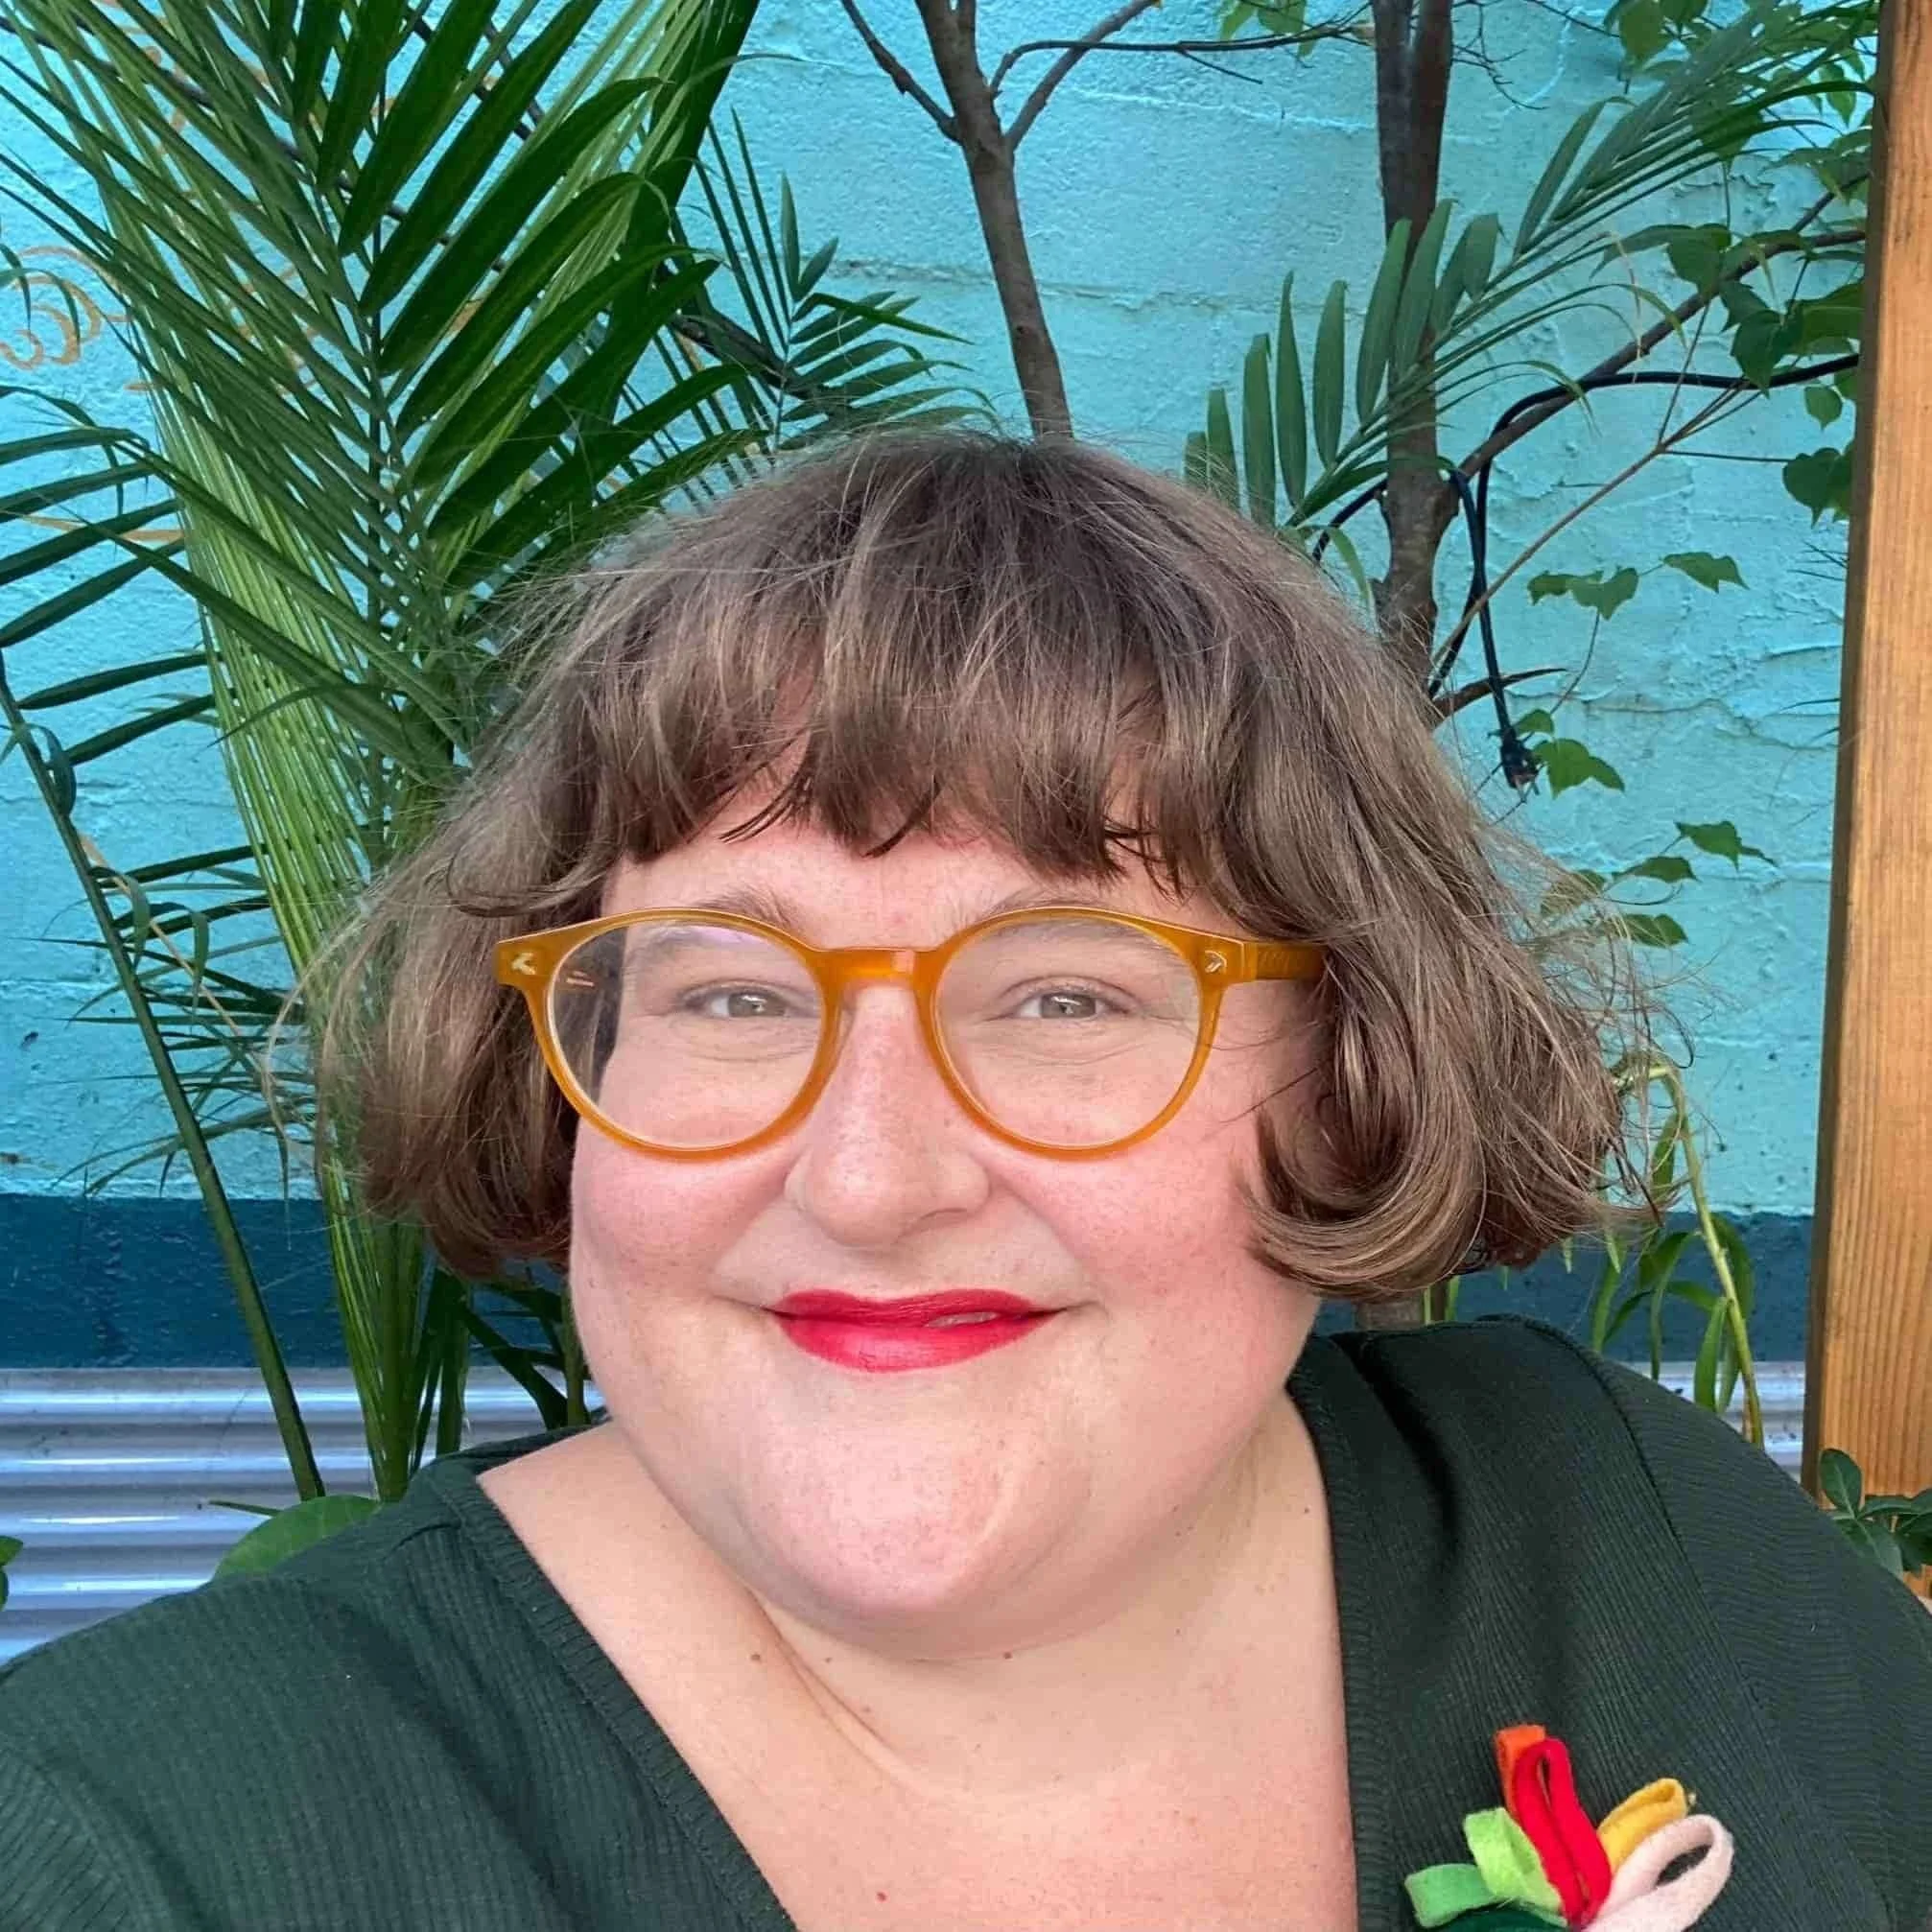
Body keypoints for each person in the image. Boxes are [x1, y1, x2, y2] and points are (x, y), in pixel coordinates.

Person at [1, 433, 1927, 1932]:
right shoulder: (130, 1846)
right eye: (730, 990)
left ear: (1350, 1064)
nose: (867, 1177)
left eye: (1067, 992)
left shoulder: (1630, 1536)